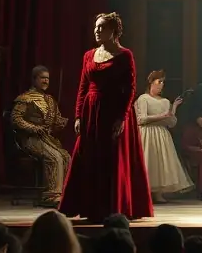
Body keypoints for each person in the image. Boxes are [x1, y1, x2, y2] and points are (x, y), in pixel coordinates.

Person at [60, 12, 153, 221]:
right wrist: (77, 116)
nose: (97, 31)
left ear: (113, 31)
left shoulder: (125, 55)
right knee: (90, 158)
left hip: (113, 111)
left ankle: (113, 207)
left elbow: (130, 89)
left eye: (101, 27)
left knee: (111, 160)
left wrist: (122, 117)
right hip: (91, 112)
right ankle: (89, 206)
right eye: (96, 27)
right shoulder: (89, 55)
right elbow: (83, 87)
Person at [10, 65, 72, 206]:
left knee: (66, 156)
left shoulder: (50, 100)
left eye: (47, 78)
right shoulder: (25, 98)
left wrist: (60, 123)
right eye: (42, 78)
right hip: (29, 139)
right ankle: (50, 196)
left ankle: (64, 193)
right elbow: (16, 119)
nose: (45, 81)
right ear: (34, 79)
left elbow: (54, 121)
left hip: (47, 139)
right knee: (54, 157)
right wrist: (33, 128)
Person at [135, 70, 193, 202]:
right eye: (159, 82)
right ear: (151, 82)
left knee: (160, 164)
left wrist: (173, 109)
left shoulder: (165, 101)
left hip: (161, 134)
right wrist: (162, 116)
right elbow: (141, 119)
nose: (161, 85)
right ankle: (145, 193)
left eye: (163, 82)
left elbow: (171, 123)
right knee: (148, 161)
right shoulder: (144, 99)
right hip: (147, 134)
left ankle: (158, 193)